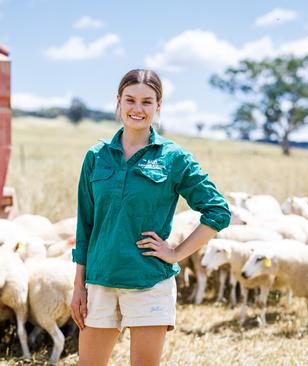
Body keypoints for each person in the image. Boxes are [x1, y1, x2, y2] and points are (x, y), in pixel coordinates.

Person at [70, 69, 230, 366]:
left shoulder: (174, 158)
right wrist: (79, 286)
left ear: (159, 106)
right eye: (130, 100)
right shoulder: (96, 156)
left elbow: (218, 211)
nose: (137, 109)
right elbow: (86, 226)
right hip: (100, 281)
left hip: (148, 282)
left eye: (147, 102)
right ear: (118, 102)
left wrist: (176, 253)